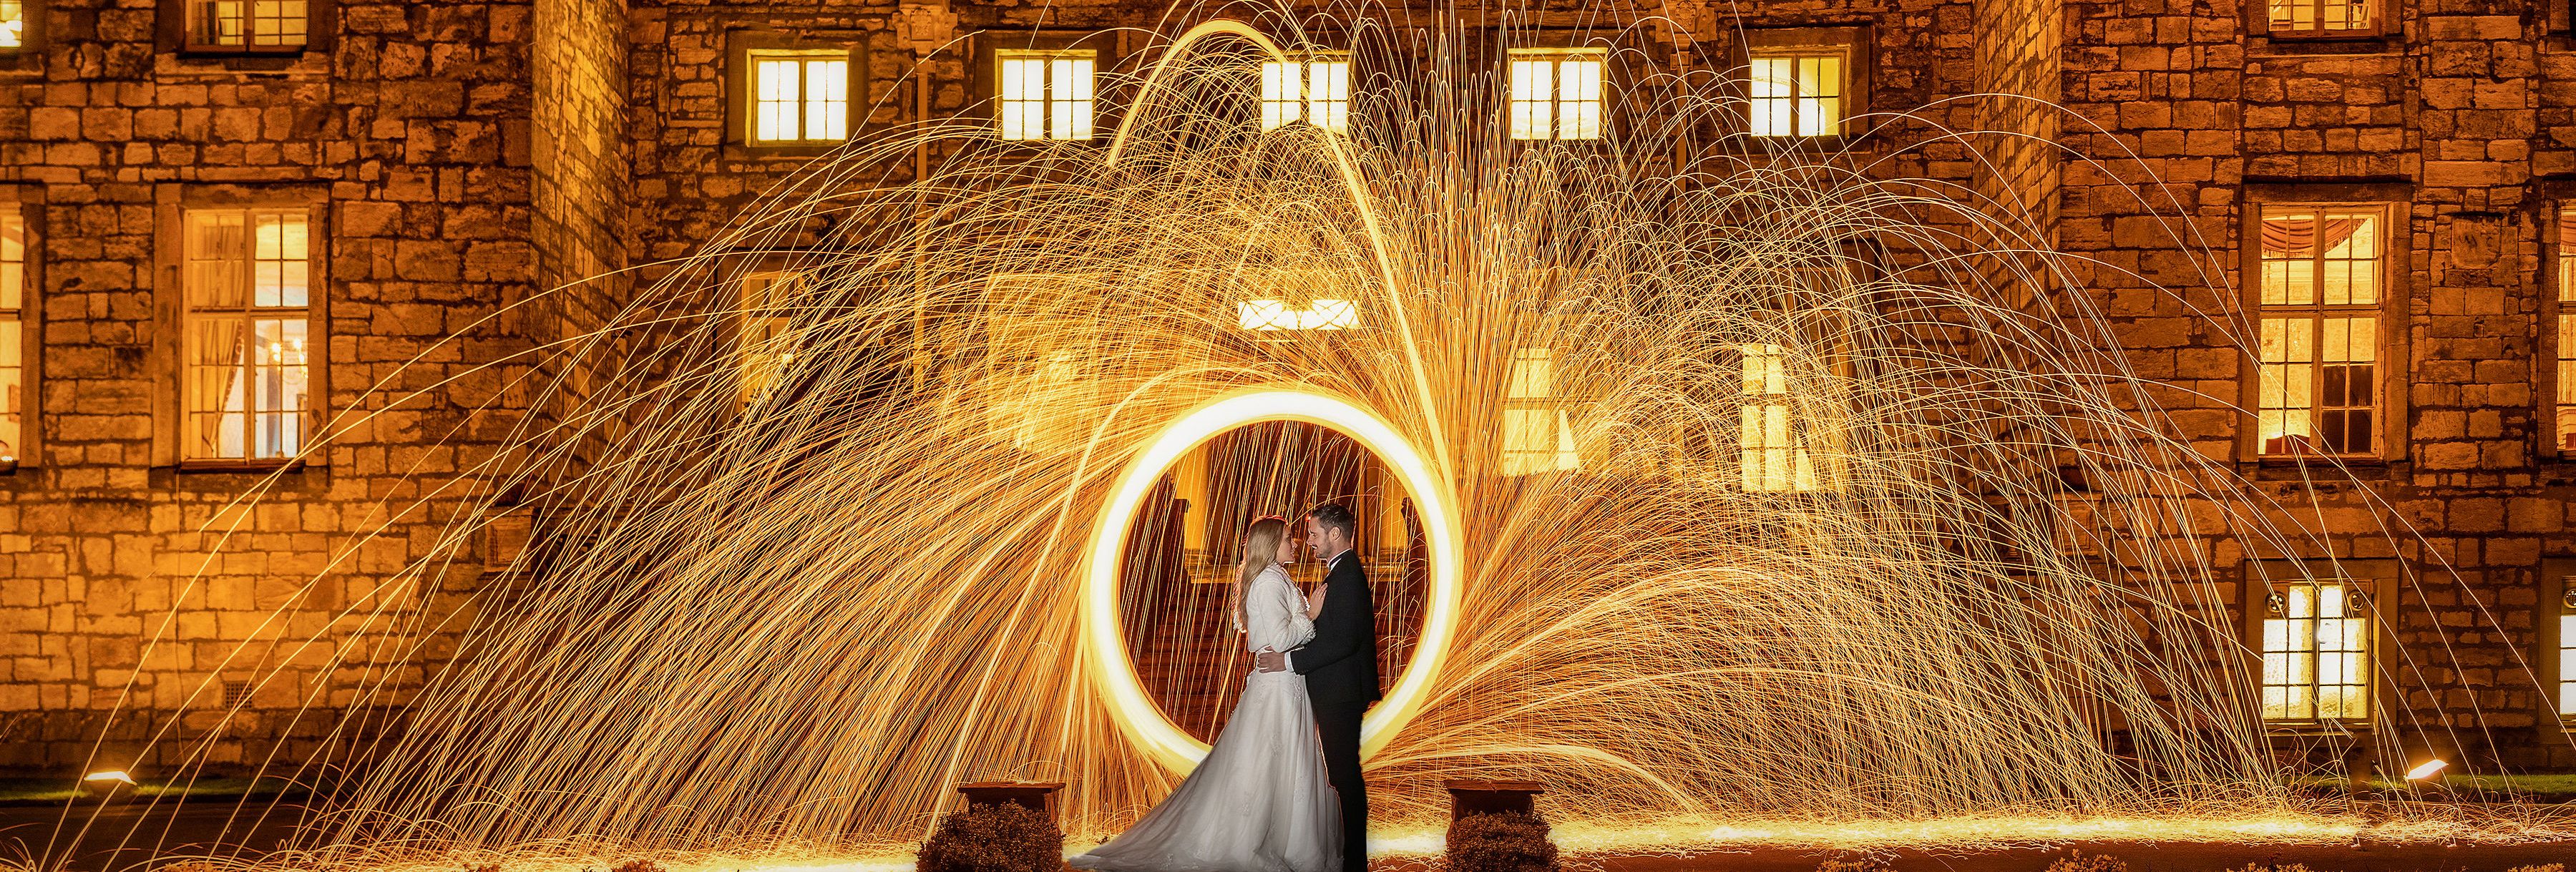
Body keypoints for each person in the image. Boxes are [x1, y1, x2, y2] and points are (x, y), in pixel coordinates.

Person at [1071, 516, 1340, 872]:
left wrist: (1305, 615)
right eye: (1289, 538)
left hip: (1283, 685)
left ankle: (1282, 838)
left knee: (1273, 763)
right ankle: (1258, 840)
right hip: (1276, 690)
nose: (1296, 543)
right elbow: (1281, 639)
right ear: (1271, 543)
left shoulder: (1275, 577)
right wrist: (1313, 615)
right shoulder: (1268, 582)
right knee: (1266, 763)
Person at [1254, 503, 1377, 872]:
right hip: (1335, 688)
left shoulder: (1347, 576)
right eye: (1302, 535)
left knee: (1343, 773)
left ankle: (1355, 860)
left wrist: (1288, 661)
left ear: (1334, 534)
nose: (1307, 541)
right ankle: (1349, 854)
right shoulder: (1340, 573)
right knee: (1340, 772)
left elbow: (1342, 642)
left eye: (1312, 533)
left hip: (1340, 691)